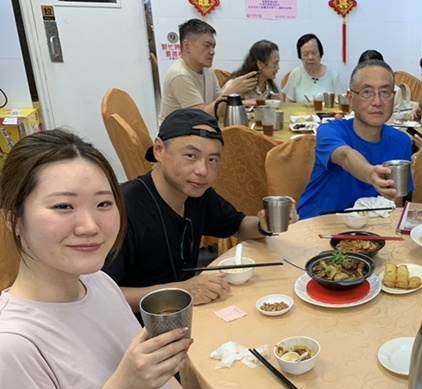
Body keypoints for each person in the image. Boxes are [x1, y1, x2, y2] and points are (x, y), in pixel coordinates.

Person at [0, 129, 272, 389]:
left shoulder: (98, 283)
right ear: (14, 218)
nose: (90, 226)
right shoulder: (12, 344)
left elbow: (162, 385)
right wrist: (124, 388)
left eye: (103, 203)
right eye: (63, 206)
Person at [103, 108, 297, 312]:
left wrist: (264, 225)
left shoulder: (197, 194)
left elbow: (238, 225)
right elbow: (100, 297)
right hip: (141, 324)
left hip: (189, 312)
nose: (203, 170)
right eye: (190, 156)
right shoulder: (122, 210)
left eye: (212, 159)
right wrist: (181, 290)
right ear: (159, 149)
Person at [296, 59, 412, 219]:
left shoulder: (401, 142)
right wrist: (370, 173)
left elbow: (394, 203)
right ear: (350, 98)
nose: (377, 102)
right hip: (318, 223)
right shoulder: (329, 131)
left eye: (385, 92)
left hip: (370, 229)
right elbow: (345, 156)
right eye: (367, 92)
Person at [158, 19, 258, 124]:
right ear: (187, 46)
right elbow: (199, 118)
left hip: (200, 129)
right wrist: (231, 91)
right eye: (207, 46)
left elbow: (219, 106)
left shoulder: (206, 69)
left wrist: (241, 100)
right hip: (178, 133)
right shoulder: (179, 75)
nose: (212, 52)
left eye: (213, 46)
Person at [282, 34, 342, 103]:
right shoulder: (295, 74)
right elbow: (289, 105)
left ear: (320, 54)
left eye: (314, 53)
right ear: (300, 57)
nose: (310, 57)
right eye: (305, 54)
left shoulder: (333, 75)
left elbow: (339, 103)